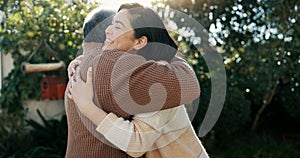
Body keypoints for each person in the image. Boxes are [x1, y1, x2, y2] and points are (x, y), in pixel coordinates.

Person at [66, 3, 208, 158]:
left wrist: (88, 107)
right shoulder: (135, 70)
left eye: (118, 26)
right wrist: (85, 59)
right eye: (111, 24)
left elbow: (136, 144)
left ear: (140, 42)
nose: (108, 29)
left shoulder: (156, 77)